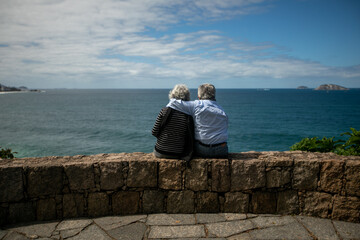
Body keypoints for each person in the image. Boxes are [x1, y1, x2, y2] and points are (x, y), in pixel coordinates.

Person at [166, 83, 228, 158]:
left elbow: (172, 103)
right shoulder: (221, 110)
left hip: (202, 149)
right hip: (221, 149)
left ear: (199, 96)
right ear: (214, 95)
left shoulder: (196, 105)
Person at [152, 84, 194, 161]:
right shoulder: (189, 114)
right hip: (178, 153)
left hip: (160, 151)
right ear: (187, 96)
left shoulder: (165, 111)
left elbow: (154, 132)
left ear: (172, 95)